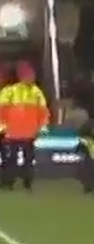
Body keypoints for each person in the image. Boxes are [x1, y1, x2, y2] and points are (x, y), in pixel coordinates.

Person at [0, 61, 49, 191]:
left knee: (28, 159)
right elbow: (2, 110)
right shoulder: (9, 91)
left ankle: (27, 182)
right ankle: (8, 182)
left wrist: (43, 125)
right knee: (11, 159)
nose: (31, 77)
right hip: (12, 132)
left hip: (29, 132)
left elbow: (43, 111)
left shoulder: (36, 92)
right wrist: (2, 126)